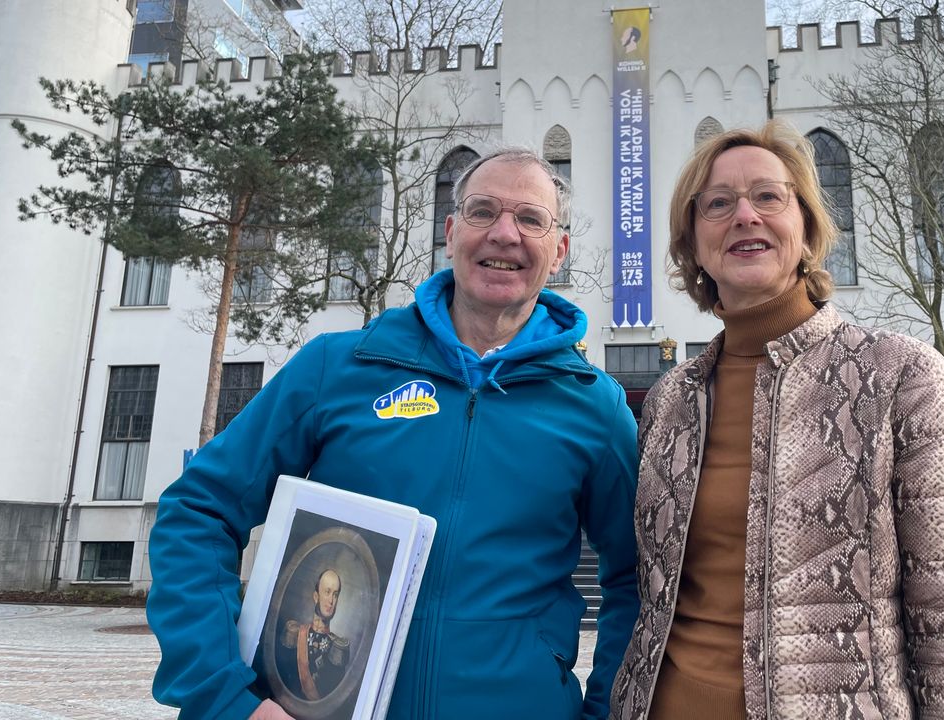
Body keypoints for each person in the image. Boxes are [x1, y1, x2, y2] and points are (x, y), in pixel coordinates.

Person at [147, 147, 640, 720]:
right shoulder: (337, 367)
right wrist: (224, 695)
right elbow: (197, 512)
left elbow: (638, 578)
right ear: (451, 233)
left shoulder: (594, 405)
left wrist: (606, 711)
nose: (505, 234)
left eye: (530, 218)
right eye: (483, 212)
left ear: (558, 251)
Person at [609, 121, 944, 719]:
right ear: (692, 241)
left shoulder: (902, 375)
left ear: (807, 227)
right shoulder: (672, 400)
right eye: (718, 203)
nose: (745, 215)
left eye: (768, 196)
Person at [274, 569, 349, 701]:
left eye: (335, 595)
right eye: (327, 592)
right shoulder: (294, 633)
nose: (331, 600)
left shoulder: (338, 647)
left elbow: (333, 700)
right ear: (316, 596)